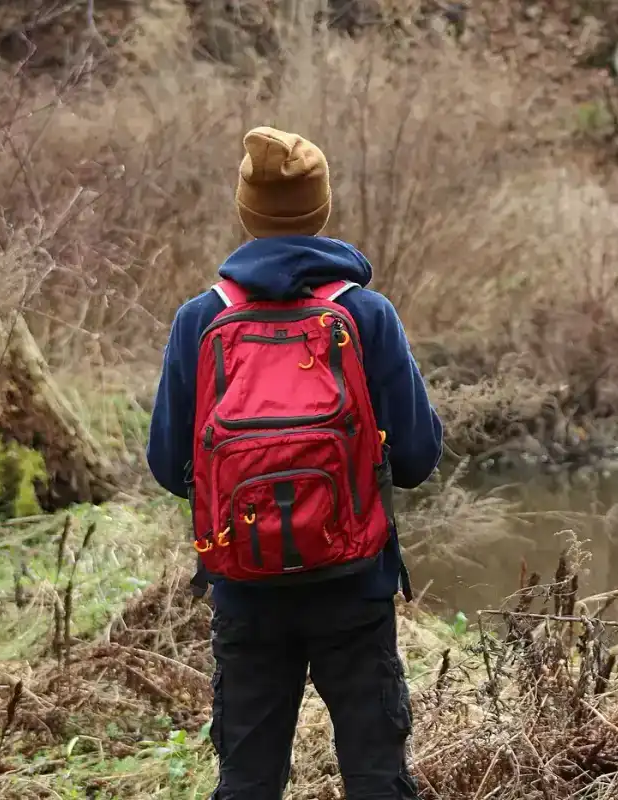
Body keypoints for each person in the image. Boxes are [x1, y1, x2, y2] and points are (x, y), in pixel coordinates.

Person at [146, 125, 443, 799]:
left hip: (244, 588)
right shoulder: (365, 314)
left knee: (248, 781)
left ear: (246, 213)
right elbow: (419, 457)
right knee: (376, 777)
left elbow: (168, 465)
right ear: (322, 208)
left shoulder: (199, 320)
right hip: (353, 585)